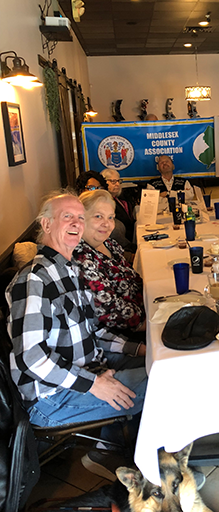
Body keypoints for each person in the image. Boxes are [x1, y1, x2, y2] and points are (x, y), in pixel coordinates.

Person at [6, 192, 147, 480]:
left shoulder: (70, 269)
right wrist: (95, 384)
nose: (76, 223)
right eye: (66, 216)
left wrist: (139, 349)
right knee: (164, 384)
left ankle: (113, 447)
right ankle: (139, 464)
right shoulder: (33, 279)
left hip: (89, 369)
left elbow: (94, 331)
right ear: (46, 225)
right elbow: (30, 357)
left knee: (160, 363)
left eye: (80, 217)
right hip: (51, 400)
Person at [73, 190, 145, 340]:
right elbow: (108, 310)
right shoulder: (81, 256)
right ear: (81, 219)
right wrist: (149, 323)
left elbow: (132, 278)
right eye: (98, 216)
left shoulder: (108, 243)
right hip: (121, 336)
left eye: (111, 217)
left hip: (143, 309)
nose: (106, 224)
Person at [101, 167, 136, 247]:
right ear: (104, 183)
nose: (117, 184)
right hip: (121, 245)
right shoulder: (105, 203)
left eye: (118, 181)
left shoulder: (120, 199)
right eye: (113, 181)